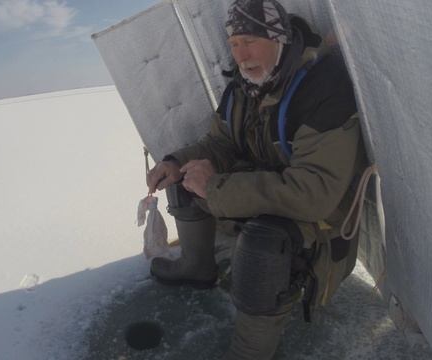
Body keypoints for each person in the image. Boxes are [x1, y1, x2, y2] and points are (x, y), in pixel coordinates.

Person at [146, 0, 367, 358]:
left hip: (325, 224)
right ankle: (197, 265)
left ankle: (251, 352)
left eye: (250, 40)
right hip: (274, 191)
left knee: (263, 244)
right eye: (233, 43)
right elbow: (219, 143)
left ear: (279, 39)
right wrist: (176, 163)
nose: (241, 54)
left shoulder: (324, 88)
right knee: (187, 175)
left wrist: (217, 189)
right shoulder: (244, 88)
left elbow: (315, 194)